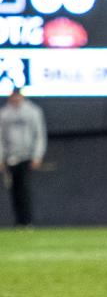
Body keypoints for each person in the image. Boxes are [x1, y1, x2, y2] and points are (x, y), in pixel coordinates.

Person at [0, 88, 46, 227]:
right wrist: (1, 158)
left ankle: (27, 221)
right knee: (14, 190)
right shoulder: (4, 114)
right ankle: (19, 222)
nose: (15, 98)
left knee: (24, 189)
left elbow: (39, 135)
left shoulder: (32, 111)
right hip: (11, 157)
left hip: (26, 156)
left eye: (17, 95)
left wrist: (37, 156)